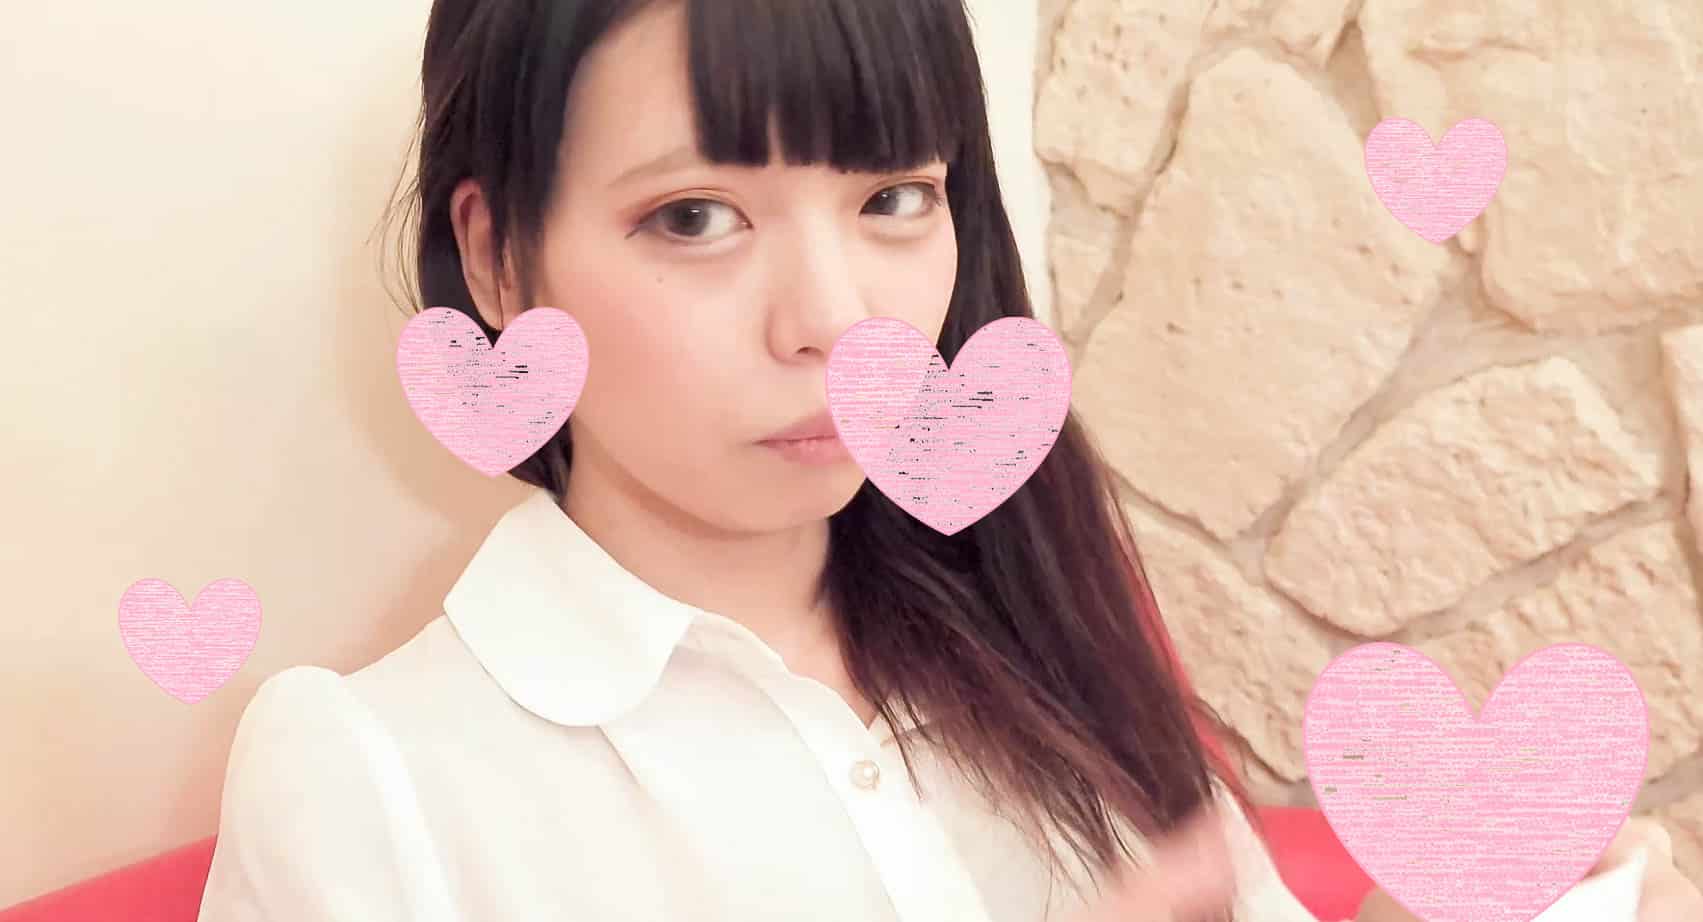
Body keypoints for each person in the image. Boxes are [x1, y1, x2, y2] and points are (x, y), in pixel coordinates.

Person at [195, 1, 1701, 920]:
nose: (837, 321)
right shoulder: (370, 775)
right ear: (496, 258)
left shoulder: (1044, 620)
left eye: (895, 201)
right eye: (695, 218)